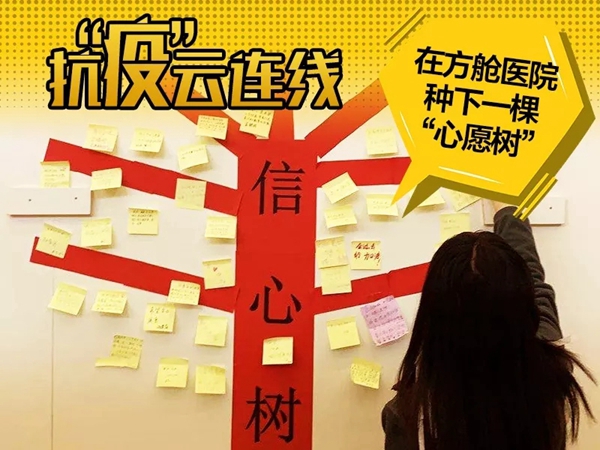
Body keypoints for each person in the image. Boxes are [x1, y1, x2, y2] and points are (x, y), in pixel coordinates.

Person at [382, 202, 595, 450]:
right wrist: (508, 211)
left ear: (432, 312)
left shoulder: (409, 416)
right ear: (524, 308)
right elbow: (535, 284)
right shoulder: (550, 372)